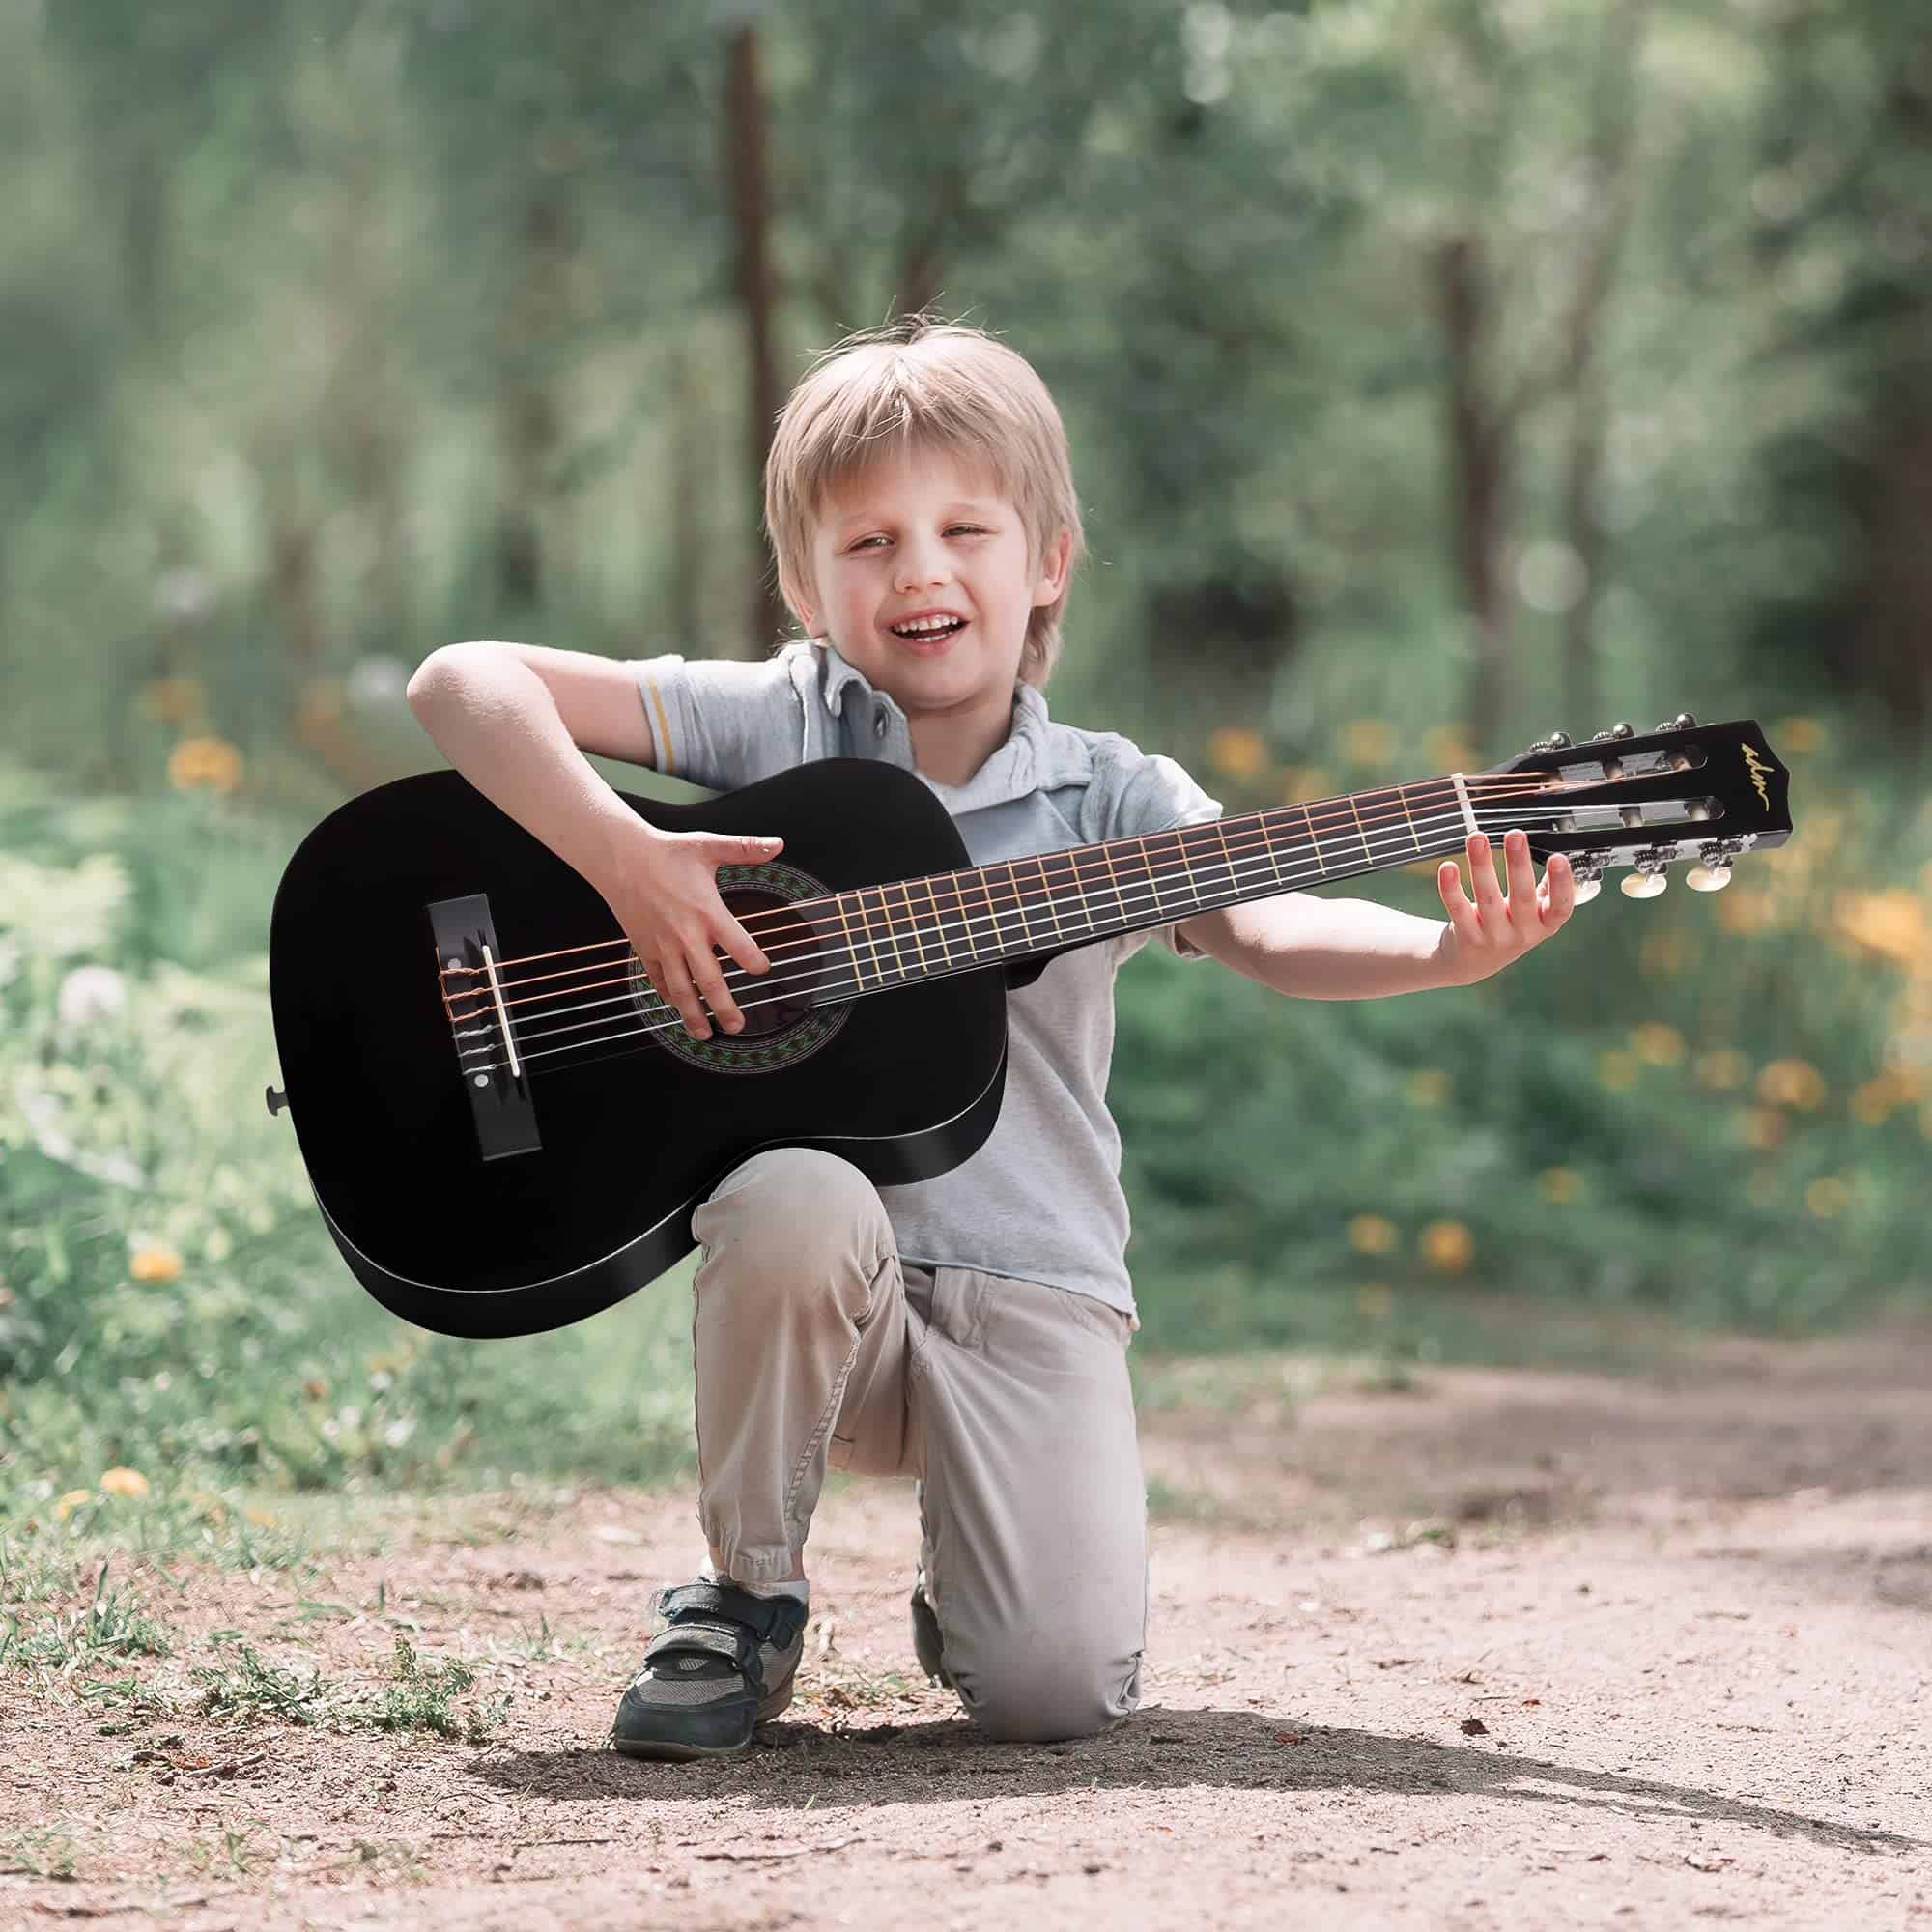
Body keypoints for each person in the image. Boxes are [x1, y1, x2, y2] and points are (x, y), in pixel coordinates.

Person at [404, 315, 1576, 1761]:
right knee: (791, 1193)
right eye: (870, 541)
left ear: (1049, 562)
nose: (921, 571)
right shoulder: (772, 725)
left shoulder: (1109, 799)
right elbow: (463, 680)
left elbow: (1270, 930)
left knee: (1052, 1694)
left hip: (1037, 1293)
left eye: (965, 530)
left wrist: (1448, 950)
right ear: (804, 584)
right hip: (833, 1312)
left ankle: (979, 1584)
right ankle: (745, 1598)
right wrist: (629, 860)